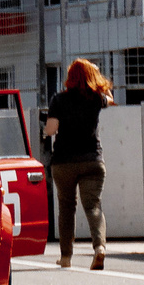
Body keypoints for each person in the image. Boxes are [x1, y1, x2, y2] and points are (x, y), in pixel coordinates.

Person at [44, 58, 114, 270]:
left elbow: (51, 130)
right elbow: (110, 98)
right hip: (92, 160)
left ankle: (66, 257)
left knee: (66, 207)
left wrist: (49, 127)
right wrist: (97, 76)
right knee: (93, 206)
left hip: (64, 162)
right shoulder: (96, 98)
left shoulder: (59, 100)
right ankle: (99, 247)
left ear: (70, 77)